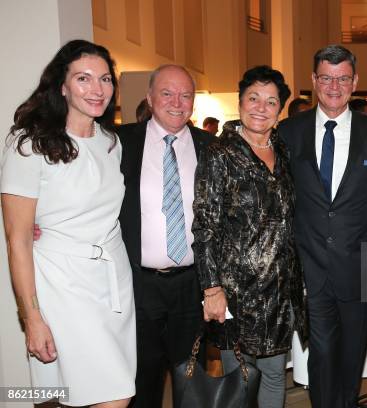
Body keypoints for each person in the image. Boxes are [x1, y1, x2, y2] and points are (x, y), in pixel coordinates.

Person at [1, 39, 135, 407]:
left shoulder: (111, 142)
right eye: (84, 79)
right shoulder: (29, 144)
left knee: (75, 394)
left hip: (113, 283)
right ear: (62, 85)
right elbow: (17, 240)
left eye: (105, 79)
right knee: (114, 395)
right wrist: (31, 317)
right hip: (61, 283)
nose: (97, 89)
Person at [278, 44, 367, 408]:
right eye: (326, 77)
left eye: (343, 78)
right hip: (309, 264)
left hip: (359, 266)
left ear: (354, 82)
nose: (334, 86)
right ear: (313, 81)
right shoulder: (288, 133)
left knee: (353, 354)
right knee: (321, 354)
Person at [193, 65, 307, 407]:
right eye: (253, 98)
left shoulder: (283, 152)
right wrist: (211, 288)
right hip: (236, 293)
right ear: (240, 102)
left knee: (274, 375)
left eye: (271, 101)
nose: (261, 107)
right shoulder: (219, 154)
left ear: (279, 109)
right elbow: (205, 226)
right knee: (239, 379)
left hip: (279, 291)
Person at [117, 65, 215, 408]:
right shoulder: (120, 143)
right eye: (167, 93)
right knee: (142, 380)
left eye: (186, 95)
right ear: (149, 98)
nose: (177, 102)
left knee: (191, 379)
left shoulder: (210, 148)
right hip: (139, 286)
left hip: (192, 285)